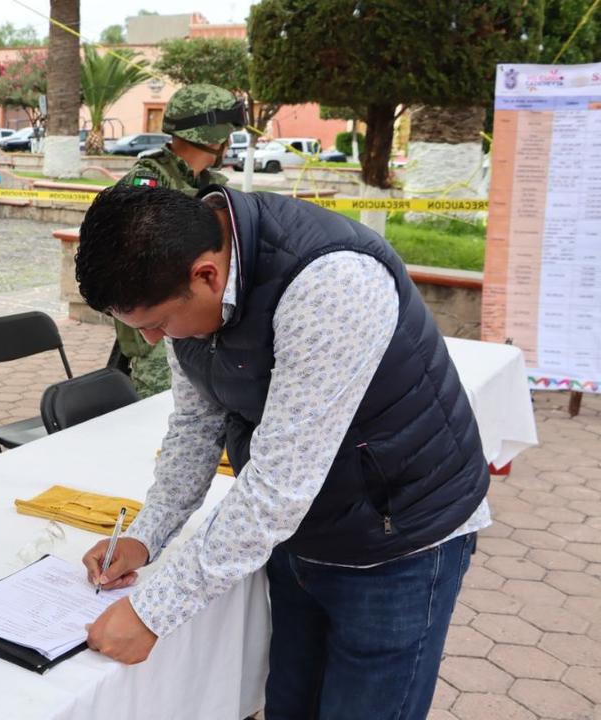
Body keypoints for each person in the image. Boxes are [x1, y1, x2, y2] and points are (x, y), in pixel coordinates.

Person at [77, 184, 489, 720]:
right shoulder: (177, 276)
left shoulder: (331, 282)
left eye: (156, 324)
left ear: (207, 275)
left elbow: (279, 485)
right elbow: (196, 424)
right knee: (291, 704)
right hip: (301, 534)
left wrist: (153, 613)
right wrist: (145, 535)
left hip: (399, 537)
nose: (155, 340)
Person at [112, 84, 244, 399]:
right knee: (160, 417)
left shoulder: (209, 185)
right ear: (213, 138)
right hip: (161, 331)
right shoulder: (146, 185)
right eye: (227, 134)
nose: (228, 143)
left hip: (201, 324)